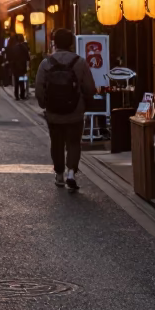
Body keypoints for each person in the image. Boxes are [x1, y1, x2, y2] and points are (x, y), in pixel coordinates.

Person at [35, 28, 97, 192]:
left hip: (53, 112)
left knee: (56, 142)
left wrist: (44, 105)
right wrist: (86, 103)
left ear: (54, 42)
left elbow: (39, 88)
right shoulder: (80, 62)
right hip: (75, 111)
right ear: (71, 43)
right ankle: (71, 172)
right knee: (74, 142)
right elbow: (90, 88)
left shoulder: (46, 63)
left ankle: (59, 174)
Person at [6, 34, 31, 100]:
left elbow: (10, 58)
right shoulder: (24, 47)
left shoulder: (13, 48)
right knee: (22, 81)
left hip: (15, 67)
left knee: (16, 81)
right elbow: (28, 57)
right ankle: (22, 94)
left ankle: (16, 95)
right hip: (22, 67)